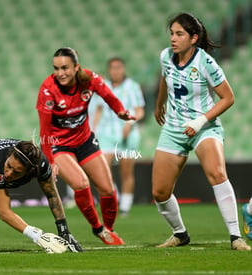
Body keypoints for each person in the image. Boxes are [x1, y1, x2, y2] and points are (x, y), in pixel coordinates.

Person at [152, 12, 250, 250]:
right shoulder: (166, 56)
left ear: (193, 38)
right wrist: (159, 104)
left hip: (204, 127)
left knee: (217, 173)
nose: (173, 39)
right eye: (172, 34)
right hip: (174, 128)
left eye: (179, 34)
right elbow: (165, 79)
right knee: (160, 191)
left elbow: (228, 98)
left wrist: (199, 122)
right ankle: (180, 234)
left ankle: (236, 237)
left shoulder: (206, 62)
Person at [36, 47, 135, 245]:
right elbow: (45, 132)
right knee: (81, 184)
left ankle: (108, 230)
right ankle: (97, 228)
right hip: (59, 146)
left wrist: (120, 112)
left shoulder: (89, 79)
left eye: (65, 68)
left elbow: (108, 96)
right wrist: (51, 160)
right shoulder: (48, 91)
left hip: (84, 141)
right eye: (56, 68)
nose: (60, 73)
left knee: (107, 188)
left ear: (76, 67)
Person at [91, 57, 145, 216]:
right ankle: (115, 198)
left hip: (128, 135)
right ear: (109, 70)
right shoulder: (102, 86)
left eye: (119, 67)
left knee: (126, 171)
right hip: (107, 133)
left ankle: (125, 206)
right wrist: (93, 130)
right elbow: (98, 110)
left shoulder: (132, 87)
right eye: (113, 68)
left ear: (123, 69)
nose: (116, 71)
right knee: (104, 170)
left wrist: (130, 122)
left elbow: (140, 110)